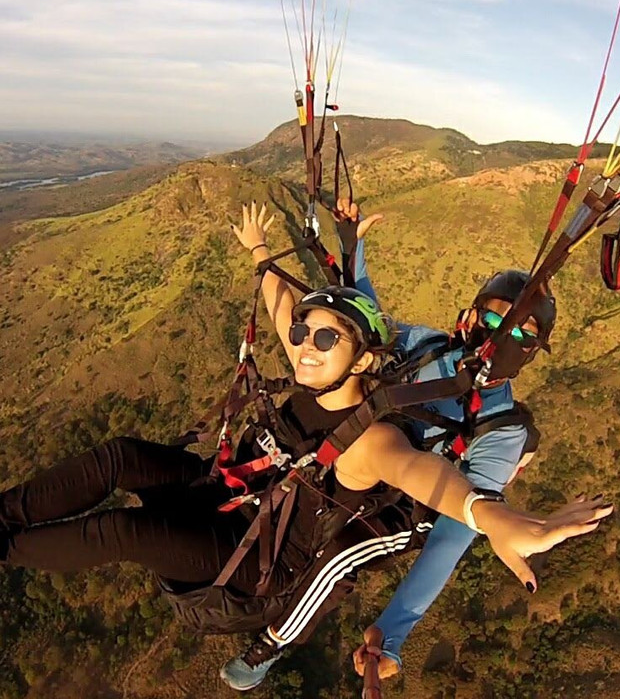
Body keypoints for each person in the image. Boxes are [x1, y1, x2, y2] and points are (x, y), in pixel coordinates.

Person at [0, 202, 610, 676]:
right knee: (122, 457)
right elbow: (342, 314)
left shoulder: (402, 434)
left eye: (513, 330)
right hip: (246, 487)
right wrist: (291, 253)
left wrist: (497, 523)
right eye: (486, 317)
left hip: (276, 543)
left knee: (130, 533)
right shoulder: (398, 350)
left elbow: (435, 489)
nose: (304, 343)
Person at [220, 200, 570, 690]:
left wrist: (392, 636)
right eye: (493, 323)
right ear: (469, 318)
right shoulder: (429, 346)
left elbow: (450, 538)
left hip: (408, 505)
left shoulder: (502, 428)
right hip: (362, 452)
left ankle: (271, 644)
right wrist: (352, 247)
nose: (501, 341)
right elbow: (371, 324)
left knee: (342, 551)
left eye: (520, 336)